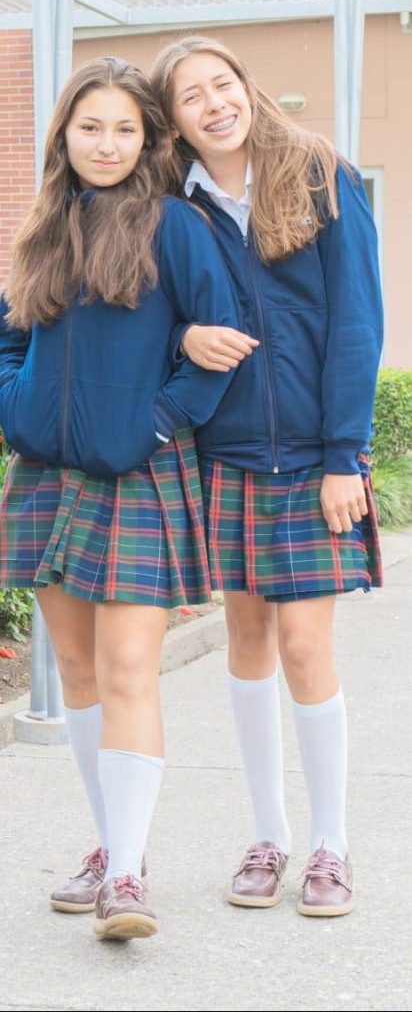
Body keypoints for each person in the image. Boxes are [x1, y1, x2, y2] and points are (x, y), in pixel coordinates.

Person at [0, 56, 251, 942]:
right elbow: (10, 337)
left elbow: (219, 346)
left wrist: (155, 423)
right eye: (90, 127)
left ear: (147, 141)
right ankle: (109, 846)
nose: (106, 145)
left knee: (128, 671)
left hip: (138, 471)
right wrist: (16, 406)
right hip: (46, 471)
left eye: (124, 130)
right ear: (65, 135)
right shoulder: (42, 226)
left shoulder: (175, 226)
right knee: (76, 674)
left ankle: (129, 876)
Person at [151, 36, 384, 917]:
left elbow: (358, 322)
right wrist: (182, 337)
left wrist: (343, 456)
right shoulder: (171, 205)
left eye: (223, 84)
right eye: (191, 96)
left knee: (305, 649)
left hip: (314, 462)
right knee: (245, 643)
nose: (214, 104)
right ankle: (268, 836)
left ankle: (331, 846)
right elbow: (149, 316)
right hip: (224, 456)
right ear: (173, 120)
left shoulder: (322, 176)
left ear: (246, 88)